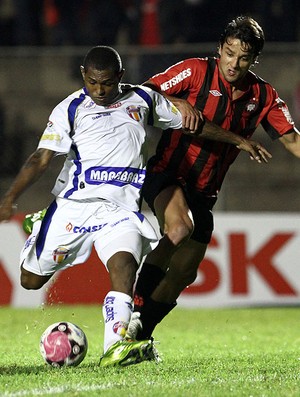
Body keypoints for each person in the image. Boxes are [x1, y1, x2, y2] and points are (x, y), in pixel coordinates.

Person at [0, 45, 269, 366]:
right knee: (30, 280)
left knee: (124, 268)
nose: (100, 90)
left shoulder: (142, 100)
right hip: (76, 206)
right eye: (93, 82)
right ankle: (41, 226)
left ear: (121, 78)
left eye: (108, 83)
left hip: (121, 211)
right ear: (84, 76)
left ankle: (116, 346)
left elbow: (191, 123)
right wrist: (10, 197)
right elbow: (40, 158)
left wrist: (237, 139)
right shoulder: (68, 109)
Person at [127, 15, 300, 343]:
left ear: (254, 59)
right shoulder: (195, 71)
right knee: (179, 228)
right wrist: (177, 102)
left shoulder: (262, 96)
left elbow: (293, 141)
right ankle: (132, 309)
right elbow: (143, 93)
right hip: (167, 172)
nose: (234, 63)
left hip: (204, 191)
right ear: (220, 48)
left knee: (184, 273)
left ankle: (140, 335)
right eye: (230, 53)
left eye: (244, 57)